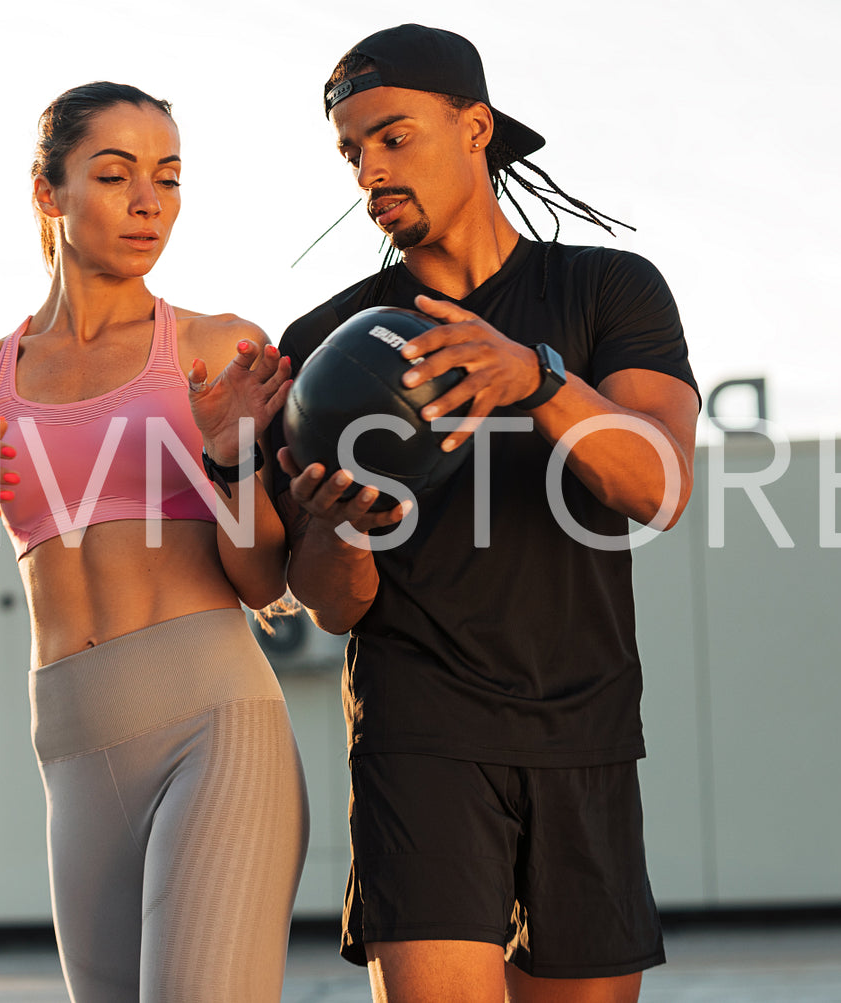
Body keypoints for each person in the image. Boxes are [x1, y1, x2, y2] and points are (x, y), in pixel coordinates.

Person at [266, 26, 700, 1003]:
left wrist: (537, 378)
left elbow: (658, 486)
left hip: (580, 730)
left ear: (474, 127)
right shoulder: (324, 345)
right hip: (416, 733)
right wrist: (333, 526)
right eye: (349, 151)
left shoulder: (604, 291)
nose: (367, 169)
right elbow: (328, 604)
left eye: (390, 136)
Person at [0, 81, 309, 1002]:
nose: (149, 201)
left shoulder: (217, 349)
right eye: (114, 174)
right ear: (47, 192)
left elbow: (262, 582)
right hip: (71, 745)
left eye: (169, 177)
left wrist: (231, 461)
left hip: (213, 722)